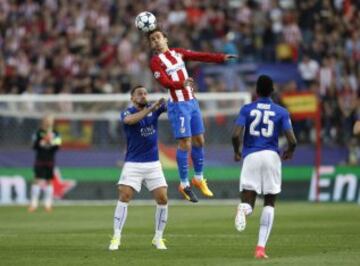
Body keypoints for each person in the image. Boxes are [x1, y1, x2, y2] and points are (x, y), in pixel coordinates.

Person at [148, 28, 237, 202]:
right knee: (185, 143)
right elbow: (164, 82)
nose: (156, 41)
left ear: (165, 39)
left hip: (192, 102)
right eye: (152, 40)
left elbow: (199, 56)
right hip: (178, 105)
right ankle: (183, 184)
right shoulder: (155, 62)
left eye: (158, 37)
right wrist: (181, 83)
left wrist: (220, 58)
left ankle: (197, 178)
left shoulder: (178, 53)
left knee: (200, 140)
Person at [231, 75, 297, 259]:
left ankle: (243, 209)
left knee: (248, 201)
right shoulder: (281, 111)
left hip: (251, 156)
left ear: (256, 92)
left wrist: (237, 152)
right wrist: (290, 152)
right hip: (271, 156)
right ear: (272, 91)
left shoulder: (247, 109)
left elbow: (235, 135)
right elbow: (292, 140)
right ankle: (260, 249)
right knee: (269, 202)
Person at [109, 85, 169, 251]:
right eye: (139, 94)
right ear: (132, 98)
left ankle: (158, 238)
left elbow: (172, 104)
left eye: (145, 93)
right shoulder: (127, 113)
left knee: (163, 198)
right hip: (133, 163)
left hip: (153, 163)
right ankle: (116, 237)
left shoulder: (154, 110)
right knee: (124, 195)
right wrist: (152, 108)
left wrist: (178, 89)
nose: (143, 96)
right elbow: (130, 121)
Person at [28, 114, 62, 212]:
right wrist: (43, 141)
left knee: (49, 181)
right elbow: (34, 146)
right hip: (40, 158)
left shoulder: (56, 133)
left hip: (50, 159)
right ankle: (34, 204)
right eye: (47, 120)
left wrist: (51, 141)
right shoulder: (38, 133)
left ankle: (48, 204)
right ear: (43, 121)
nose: (49, 122)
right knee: (37, 180)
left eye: (51, 120)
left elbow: (58, 146)